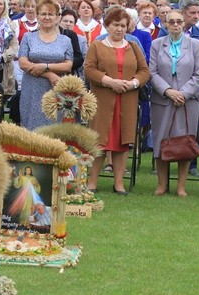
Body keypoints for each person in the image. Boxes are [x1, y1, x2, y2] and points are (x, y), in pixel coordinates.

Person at [85, 6, 150, 194]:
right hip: (103, 100)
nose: (119, 29)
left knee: (123, 142)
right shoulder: (96, 46)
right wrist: (110, 82)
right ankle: (92, 182)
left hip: (127, 100)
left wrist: (132, 84)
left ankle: (119, 183)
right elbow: (89, 70)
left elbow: (145, 71)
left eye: (123, 25)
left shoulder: (134, 47)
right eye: (115, 25)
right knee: (99, 140)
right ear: (107, 25)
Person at [149, 8, 199, 197]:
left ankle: (181, 186)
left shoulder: (195, 44)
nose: (175, 25)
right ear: (165, 23)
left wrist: (184, 93)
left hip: (187, 101)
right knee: (161, 141)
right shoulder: (157, 44)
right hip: (163, 99)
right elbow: (152, 72)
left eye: (179, 21)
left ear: (184, 23)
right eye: (171, 21)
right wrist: (168, 91)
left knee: (184, 140)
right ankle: (162, 184)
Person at [18, 0, 73, 130]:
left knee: (54, 128)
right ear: (37, 16)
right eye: (43, 14)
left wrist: (46, 66)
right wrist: (48, 74)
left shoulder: (66, 40)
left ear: (57, 17)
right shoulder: (28, 37)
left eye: (51, 14)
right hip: (32, 89)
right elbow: (23, 63)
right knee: (31, 128)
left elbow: (68, 66)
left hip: (56, 89)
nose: (47, 17)